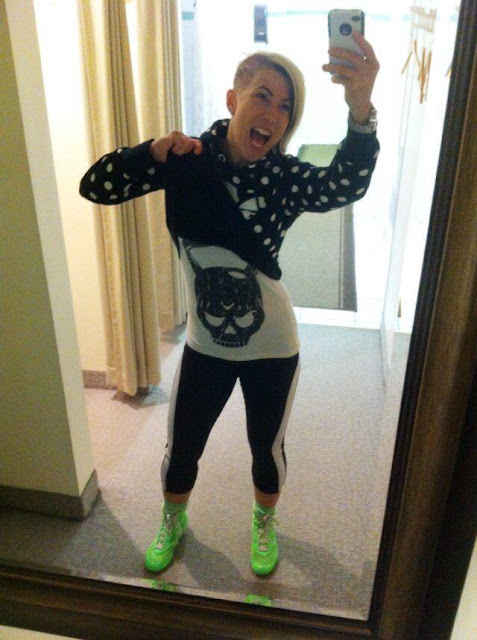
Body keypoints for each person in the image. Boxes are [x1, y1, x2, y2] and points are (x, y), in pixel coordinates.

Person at [80, 32, 380, 577]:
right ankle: (173, 520)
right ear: (232, 99)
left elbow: (345, 185)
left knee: (267, 448)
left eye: (285, 106)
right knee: (183, 445)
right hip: (206, 343)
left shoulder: (285, 178)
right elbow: (96, 186)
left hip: (273, 345)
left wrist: (360, 108)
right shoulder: (186, 160)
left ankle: (265, 521)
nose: (272, 114)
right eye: (262, 96)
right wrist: (150, 152)